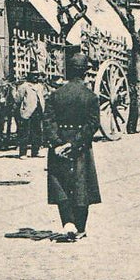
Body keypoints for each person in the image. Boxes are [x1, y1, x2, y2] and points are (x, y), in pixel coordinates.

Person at [43, 52, 101, 241]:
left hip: (58, 146)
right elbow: (92, 125)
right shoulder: (90, 97)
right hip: (80, 147)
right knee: (81, 185)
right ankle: (80, 228)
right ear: (85, 72)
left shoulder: (55, 95)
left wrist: (57, 143)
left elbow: (48, 121)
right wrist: (73, 143)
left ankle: (67, 221)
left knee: (60, 182)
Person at [16, 70, 46, 159]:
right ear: (29, 76)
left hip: (38, 111)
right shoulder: (24, 86)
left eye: (37, 75)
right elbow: (18, 99)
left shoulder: (40, 86)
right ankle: (23, 153)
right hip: (27, 111)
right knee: (25, 132)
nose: (36, 77)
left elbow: (43, 96)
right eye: (33, 75)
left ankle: (35, 151)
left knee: (37, 132)